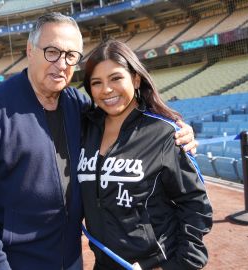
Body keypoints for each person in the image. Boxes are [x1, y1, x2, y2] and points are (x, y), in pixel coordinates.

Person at [0, 12, 198, 270]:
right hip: (17, 261)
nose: (62, 64)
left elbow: (129, 115)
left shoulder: (79, 105)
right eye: (52, 51)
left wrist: (178, 129)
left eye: (71, 55)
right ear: (29, 50)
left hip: (71, 258)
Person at [78, 40, 213, 270]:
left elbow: (195, 206)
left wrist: (181, 266)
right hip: (104, 264)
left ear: (136, 78)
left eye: (116, 78)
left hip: (156, 263)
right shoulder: (84, 129)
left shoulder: (164, 133)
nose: (106, 89)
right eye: (96, 83)